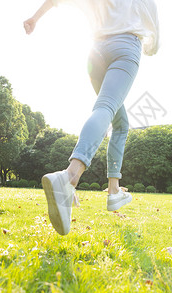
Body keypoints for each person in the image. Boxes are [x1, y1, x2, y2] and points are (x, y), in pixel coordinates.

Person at [24, 0, 159, 235]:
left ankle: (114, 190)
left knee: (120, 122)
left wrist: (35, 18)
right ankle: (70, 176)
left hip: (95, 53)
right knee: (106, 108)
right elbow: (155, 38)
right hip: (125, 47)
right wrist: (148, 46)